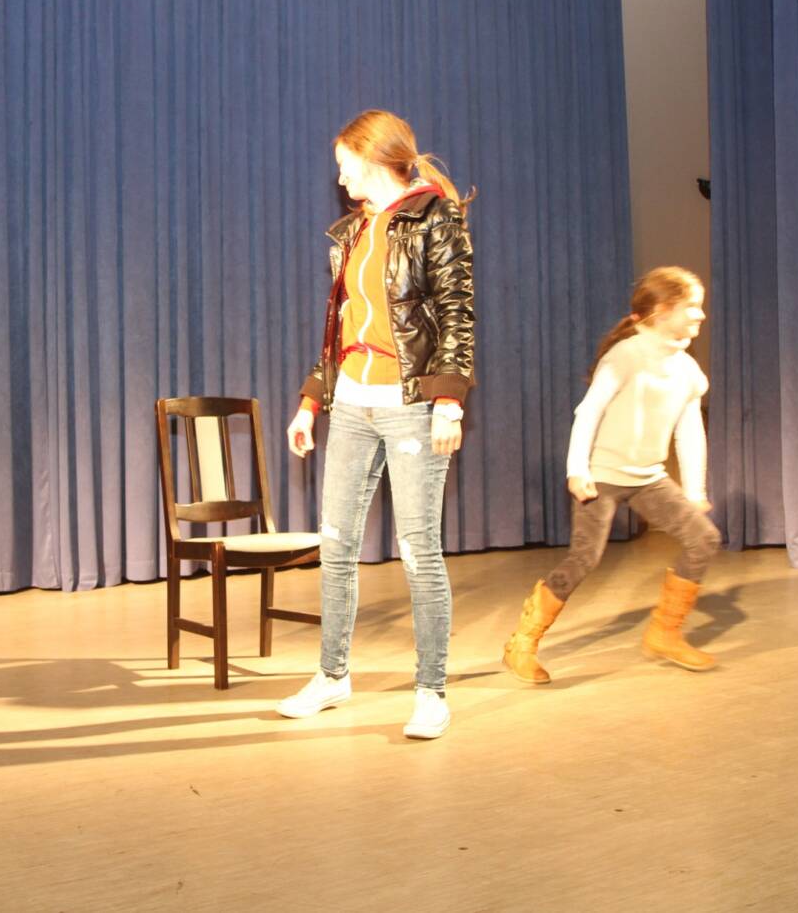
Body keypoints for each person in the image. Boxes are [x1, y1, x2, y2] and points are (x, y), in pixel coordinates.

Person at [276, 109, 475, 740]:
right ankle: (332, 676)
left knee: (419, 550)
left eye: (345, 164)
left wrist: (449, 399)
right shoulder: (353, 231)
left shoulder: (436, 218)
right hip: (353, 403)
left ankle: (430, 691)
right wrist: (311, 401)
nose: (339, 177)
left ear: (373, 157)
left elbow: (456, 312)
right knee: (335, 545)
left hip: (411, 403)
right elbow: (339, 327)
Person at [503, 266, 721, 683]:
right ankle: (522, 643)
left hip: (648, 477)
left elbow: (690, 429)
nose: (700, 315)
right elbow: (589, 411)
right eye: (692, 306)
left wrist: (694, 489)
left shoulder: (687, 370)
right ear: (662, 310)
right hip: (602, 475)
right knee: (585, 558)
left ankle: (665, 633)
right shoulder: (625, 356)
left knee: (704, 539)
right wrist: (577, 469)